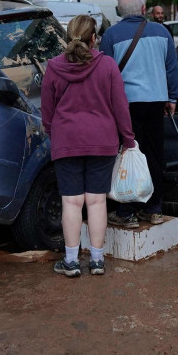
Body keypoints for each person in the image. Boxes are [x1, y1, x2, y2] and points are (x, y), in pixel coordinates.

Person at [41, 15, 135, 277]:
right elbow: (120, 107)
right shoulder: (107, 66)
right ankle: (96, 261)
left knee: (71, 202)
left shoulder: (54, 67)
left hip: (66, 140)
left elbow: (46, 111)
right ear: (95, 39)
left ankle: (71, 262)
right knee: (96, 202)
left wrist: (53, 130)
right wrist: (128, 139)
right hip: (102, 141)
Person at [100, 0, 178, 227]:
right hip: (156, 102)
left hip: (125, 105)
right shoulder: (161, 32)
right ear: (144, 9)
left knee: (128, 154)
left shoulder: (111, 35)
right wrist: (173, 98)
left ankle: (127, 212)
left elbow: (105, 74)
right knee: (154, 155)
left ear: (119, 11)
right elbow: (172, 69)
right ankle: (154, 209)